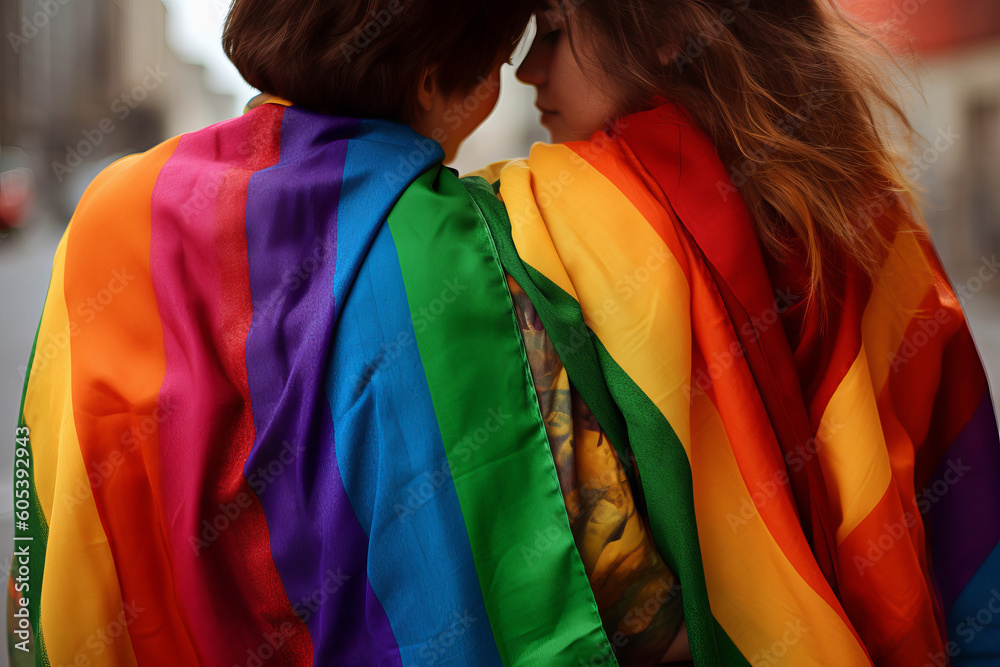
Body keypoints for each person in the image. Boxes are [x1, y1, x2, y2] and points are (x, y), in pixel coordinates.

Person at [8, 1, 686, 665]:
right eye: (500, 59)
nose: (509, 81)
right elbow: (626, 604)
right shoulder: (466, 258)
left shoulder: (110, 216)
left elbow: (53, 516)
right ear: (433, 78)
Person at [469, 0, 1000, 664]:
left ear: (665, 26)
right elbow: (967, 504)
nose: (527, 70)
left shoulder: (550, 227)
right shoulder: (870, 215)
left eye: (551, 30)